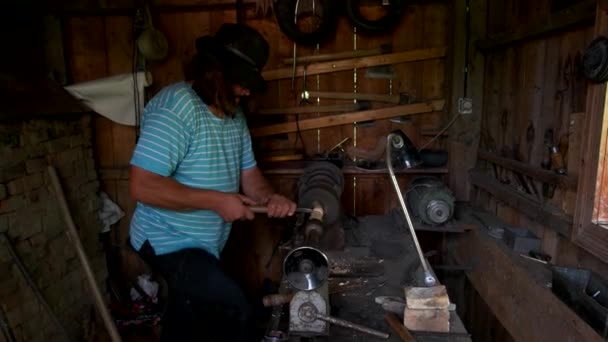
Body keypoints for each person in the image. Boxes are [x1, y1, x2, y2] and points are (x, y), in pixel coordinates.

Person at [128, 23, 297, 341]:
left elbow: (250, 177)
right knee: (230, 310)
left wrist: (269, 197)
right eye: (242, 82)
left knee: (190, 320)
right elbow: (142, 185)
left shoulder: (233, 116)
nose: (247, 91)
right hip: (166, 240)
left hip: (203, 245)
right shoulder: (176, 108)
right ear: (217, 73)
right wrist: (218, 201)